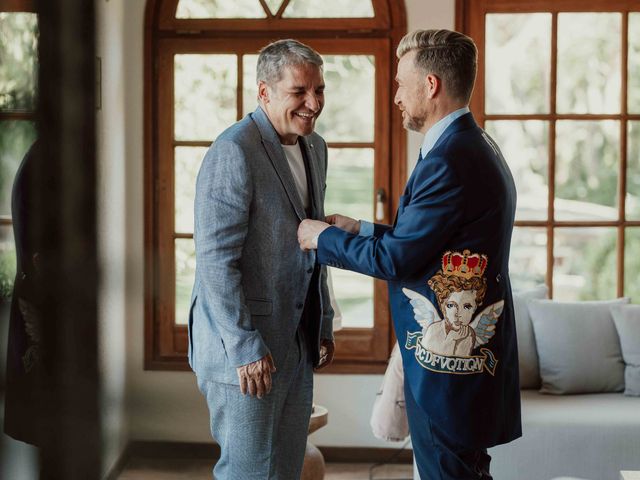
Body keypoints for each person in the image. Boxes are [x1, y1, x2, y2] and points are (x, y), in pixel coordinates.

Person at [298, 29, 521, 480]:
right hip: (461, 369)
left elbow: (399, 260)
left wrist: (319, 238)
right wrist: (362, 228)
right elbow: (432, 243)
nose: (396, 95)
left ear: (431, 85)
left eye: (401, 83)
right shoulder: (470, 145)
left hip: (451, 373)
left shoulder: (450, 158)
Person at [189, 39, 334, 480]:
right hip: (243, 350)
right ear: (264, 92)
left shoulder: (316, 148)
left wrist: (321, 322)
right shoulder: (233, 150)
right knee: (249, 473)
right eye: (299, 92)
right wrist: (245, 346)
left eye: (320, 90)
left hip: (297, 341)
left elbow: (312, 243)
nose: (313, 103)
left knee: (286, 470)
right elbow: (215, 261)